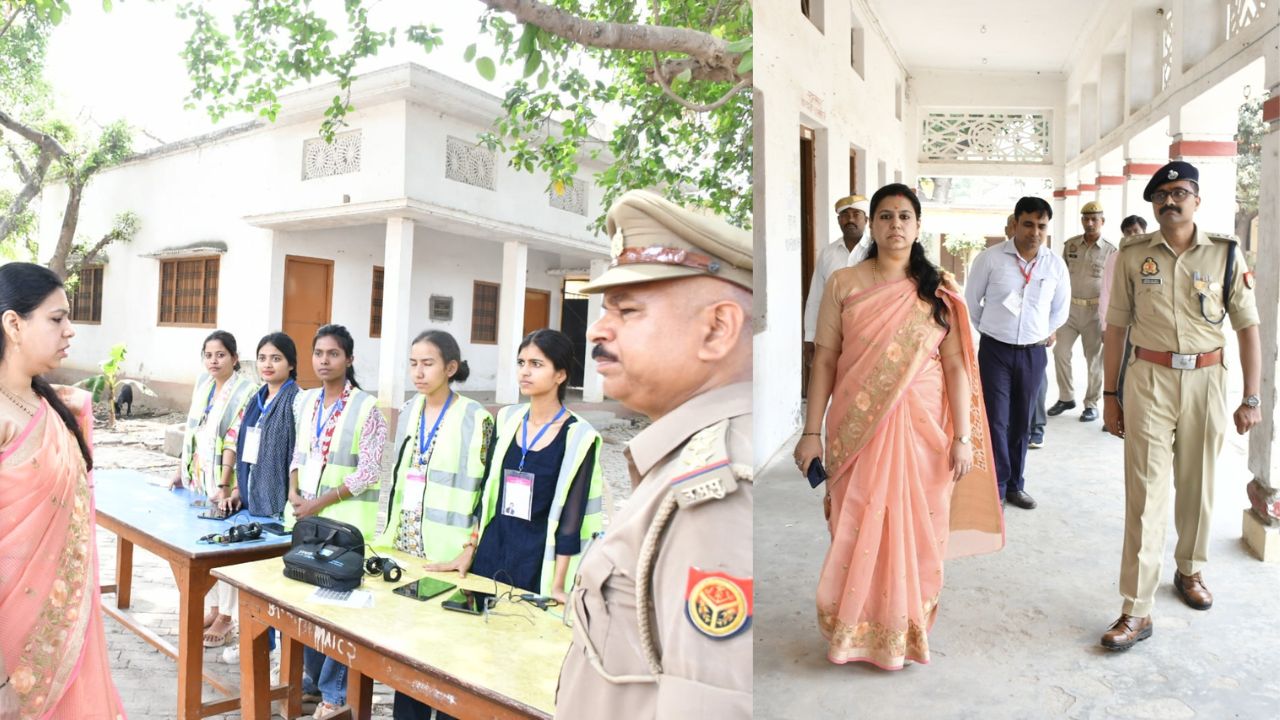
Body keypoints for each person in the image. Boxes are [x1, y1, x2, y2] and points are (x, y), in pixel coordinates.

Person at [556, 190, 752, 718]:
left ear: (717, 329)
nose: (597, 329)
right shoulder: (682, 458)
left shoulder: (720, 494)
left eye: (627, 310)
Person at [793, 183, 1004, 668]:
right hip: (856, 426)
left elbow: (956, 365)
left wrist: (963, 437)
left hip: (924, 427)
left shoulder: (939, 288)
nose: (895, 225)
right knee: (856, 521)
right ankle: (855, 629)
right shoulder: (844, 283)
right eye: (885, 216)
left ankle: (904, 627)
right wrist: (811, 431)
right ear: (871, 224)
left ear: (918, 226)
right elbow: (824, 360)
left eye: (904, 216)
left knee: (919, 526)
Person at [1099, 162, 1260, 650]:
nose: (1170, 201)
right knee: (1145, 494)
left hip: (1208, 380)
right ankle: (1136, 608)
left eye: (1180, 192)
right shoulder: (1133, 255)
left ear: (1197, 200)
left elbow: (1247, 328)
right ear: (1153, 204)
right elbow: (1115, 329)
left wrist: (1251, 397)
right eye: (1161, 195)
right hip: (1149, 378)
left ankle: (1190, 569)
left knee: (1199, 484)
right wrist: (1110, 396)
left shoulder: (1226, 254)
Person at [0, 262, 128, 719]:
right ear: (14, 324)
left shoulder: (54, 407)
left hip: (66, 627)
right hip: (11, 643)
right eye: (57, 319)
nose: (70, 330)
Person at [378, 330, 493, 720]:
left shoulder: (476, 418)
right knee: (407, 649)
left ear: (451, 367)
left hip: (449, 554)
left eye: (427, 364)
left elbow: (486, 490)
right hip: (408, 545)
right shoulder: (410, 409)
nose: (418, 372)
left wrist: (471, 546)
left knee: (447, 652)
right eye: (413, 363)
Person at [288, 324, 387, 718]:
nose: (324, 361)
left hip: (344, 526)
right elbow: (299, 452)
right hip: (308, 523)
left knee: (339, 610)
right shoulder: (307, 401)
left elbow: (368, 472)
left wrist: (319, 503)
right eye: (318, 353)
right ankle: (314, 684)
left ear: (349, 359)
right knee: (308, 604)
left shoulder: (367, 407)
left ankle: (335, 695)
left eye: (333, 354)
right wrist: (293, 492)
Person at [964, 196, 1070, 510]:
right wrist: (992, 330)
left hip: (1033, 354)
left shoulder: (1054, 265)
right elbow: (971, 302)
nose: (1034, 232)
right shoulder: (990, 259)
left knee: (1022, 421)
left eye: (1041, 226)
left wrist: (1041, 332)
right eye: (1028, 224)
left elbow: (1060, 309)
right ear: (1015, 223)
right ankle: (996, 487)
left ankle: (1015, 486)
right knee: (996, 420)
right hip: (995, 351)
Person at [170, 330, 256, 648]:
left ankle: (228, 617)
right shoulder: (204, 385)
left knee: (225, 548)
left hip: (226, 483)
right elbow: (194, 432)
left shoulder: (246, 391)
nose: (213, 361)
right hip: (200, 479)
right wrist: (181, 471)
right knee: (204, 545)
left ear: (234, 358)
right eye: (208, 355)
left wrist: (228, 485)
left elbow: (236, 439)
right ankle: (215, 608)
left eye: (220, 355)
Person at [1047, 201, 1117, 423]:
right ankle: (1066, 397)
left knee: (1093, 360)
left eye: (1094, 219)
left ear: (1102, 221)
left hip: (1095, 312)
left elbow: (1113, 286)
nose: (1090, 223)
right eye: (1086, 219)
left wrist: (1108, 321)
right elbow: (1059, 277)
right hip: (1069, 310)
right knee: (1060, 352)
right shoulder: (1071, 245)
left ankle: (1091, 403)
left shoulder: (1111, 250)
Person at [226, 332, 300, 518]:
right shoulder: (256, 399)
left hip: (279, 507)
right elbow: (245, 450)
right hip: (249, 501)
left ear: (291, 364)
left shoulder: (297, 400)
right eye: (262, 358)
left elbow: (298, 455)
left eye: (276, 359)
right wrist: (237, 492)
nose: (267, 364)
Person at [803, 195, 872, 379]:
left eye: (856, 214)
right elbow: (816, 296)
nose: (850, 219)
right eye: (845, 215)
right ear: (839, 220)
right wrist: (809, 337)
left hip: (868, 332)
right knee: (835, 380)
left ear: (866, 220)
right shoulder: (828, 253)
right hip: (832, 332)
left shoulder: (876, 251)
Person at [1095, 215, 1147, 430]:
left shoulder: (1153, 256)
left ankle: (1136, 414)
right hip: (1120, 325)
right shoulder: (1116, 258)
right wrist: (1105, 326)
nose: (1132, 235)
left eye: (1136, 231)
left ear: (1144, 231)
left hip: (1146, 326)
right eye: (1128, 232)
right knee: (1120, 370)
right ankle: (1116, 412)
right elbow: (1106, 292)